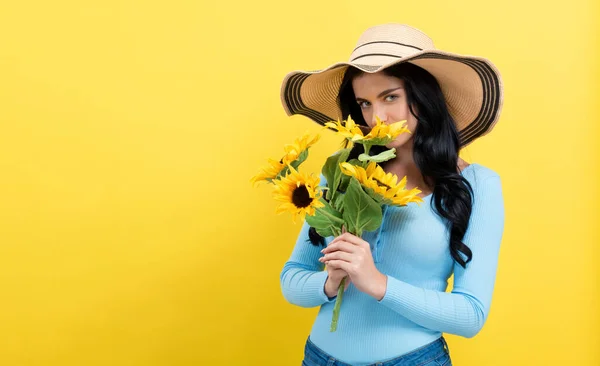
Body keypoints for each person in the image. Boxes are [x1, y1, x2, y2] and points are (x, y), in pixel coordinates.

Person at [279, 23, 505, 366]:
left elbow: (471, 314)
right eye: (364, 103)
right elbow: (292, 278)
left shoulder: (477, 185)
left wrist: (378, 282)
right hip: (319, 358)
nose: (377, 118)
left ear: (423, 97)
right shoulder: (342, 173)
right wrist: (329, 281)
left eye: (390, 97)